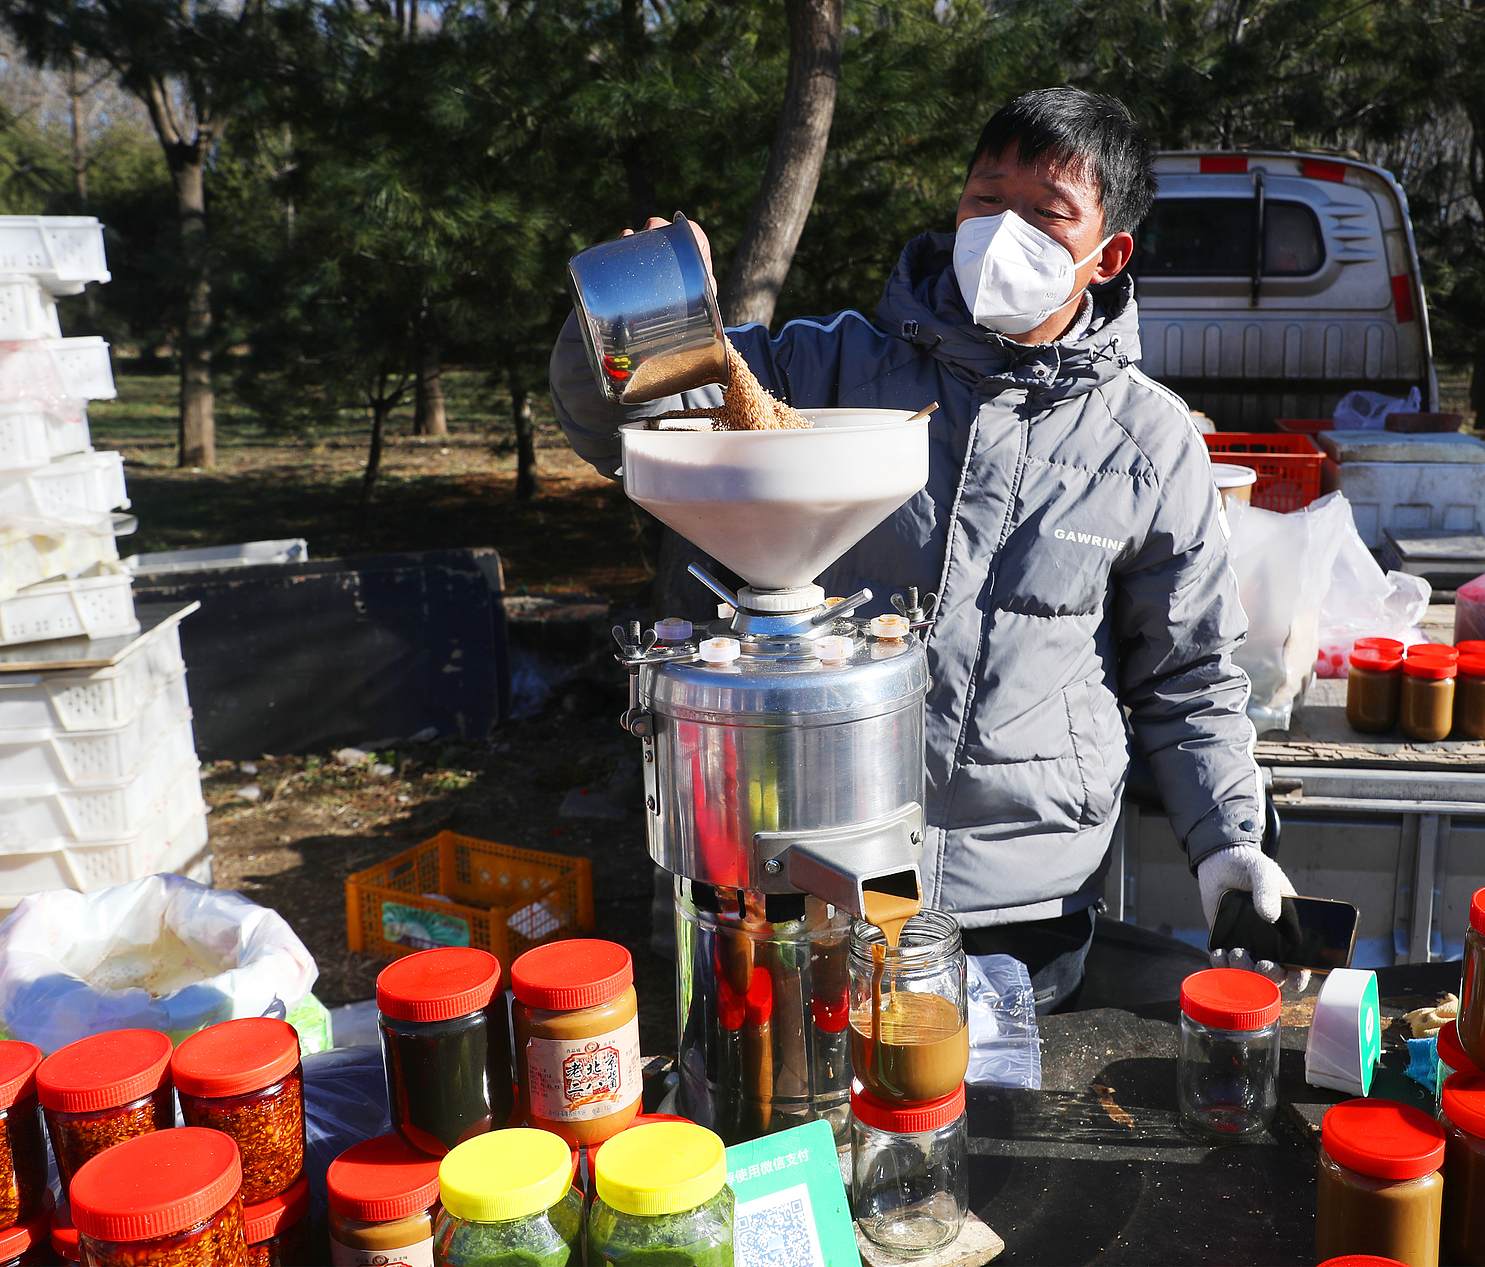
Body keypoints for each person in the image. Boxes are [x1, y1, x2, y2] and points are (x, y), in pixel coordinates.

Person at [551, 87, 1292, 1012]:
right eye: (986, 199)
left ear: (1109, 255)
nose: (1002, 230)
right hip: (820, 859)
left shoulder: (1149, 445)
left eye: (1046, 213)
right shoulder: (824, 369)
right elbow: (634, 423)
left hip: (1027, 896)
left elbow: (1187, 677)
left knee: (990, 1133)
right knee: (820, 1110)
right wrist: (647, 317)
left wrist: (1229, 844)